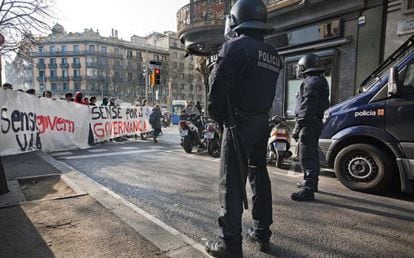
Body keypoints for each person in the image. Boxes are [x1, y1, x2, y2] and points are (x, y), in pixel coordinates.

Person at [204, 0, 281, 257]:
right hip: (262, 121)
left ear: (236, 20)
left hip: (237, 123)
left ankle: (230, 244)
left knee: (231, 183)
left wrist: (218, 118)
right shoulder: (273, 54)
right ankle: (261, 232)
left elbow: (216, 92)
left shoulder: (234, 47)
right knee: (259, 175)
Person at [291, 53, 330, 202]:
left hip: (308, 124)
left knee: (307, 155)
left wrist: (297, 127)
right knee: (311, 153)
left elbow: (306, 108)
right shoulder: (320, 80)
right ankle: (312, 183)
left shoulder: (311, 82)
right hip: (314, 122)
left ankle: (308, 189)